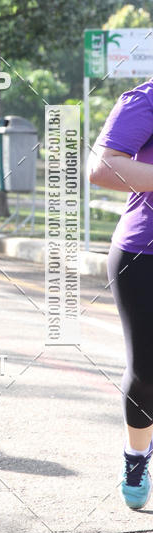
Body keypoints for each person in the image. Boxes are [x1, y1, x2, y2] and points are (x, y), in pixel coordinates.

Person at [90, 82, 153, 510]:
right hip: (143, 253)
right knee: (147, 372)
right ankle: (136, 455)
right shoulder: (145, 98)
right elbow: (101, 168)